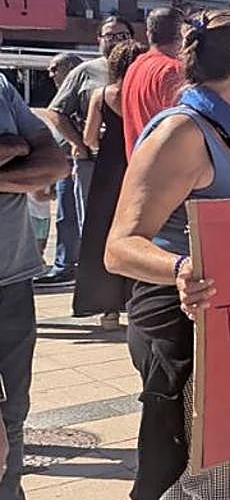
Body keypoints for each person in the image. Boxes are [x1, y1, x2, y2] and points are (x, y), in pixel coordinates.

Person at [105, 10, 230, 500]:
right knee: (225, 498)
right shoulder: (183, 130)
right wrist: (182, 266)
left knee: (187, 492)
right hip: (187, 330)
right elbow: (120, 246)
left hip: (219, 329)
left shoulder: (225, 128)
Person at [0, 30, 79, 500]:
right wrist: (12, 153)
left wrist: (18, 150)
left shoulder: (1, 85)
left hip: (11, 277)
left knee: (13, 413)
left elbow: (57, 162)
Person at [41, 16, 134, 287]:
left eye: (122, 35)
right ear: (99, 40)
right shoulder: (85, 72)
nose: (116, 41)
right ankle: (99, 289)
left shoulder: (140, 68)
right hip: (93, 161)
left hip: (132, 158)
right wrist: (79, 144)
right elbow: (56, 111)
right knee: (92, 224)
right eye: (110, 35)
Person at [74, 40, 148, 330]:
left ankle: (108, 311)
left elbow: (90, 138)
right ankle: (136, 300)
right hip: (138, 166)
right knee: (140, 231)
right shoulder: (143, 94)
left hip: (108, 170)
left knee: (103, 234)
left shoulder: (102, 95)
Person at [39, 53, 83, 289]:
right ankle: (63, 264)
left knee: (72, 217)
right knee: (65, 217)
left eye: (55, 68)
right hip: (63, 164)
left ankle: (66, 266)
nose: (50, 73)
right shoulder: (61, 94)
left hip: (77, 164)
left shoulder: (77, 91)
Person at [120, 8, 184, 156]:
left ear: (149, 34)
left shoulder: (135, 66)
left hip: (138, 164)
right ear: (182, 34)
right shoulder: (173, 70)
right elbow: (182, 129)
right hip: (165, 169)